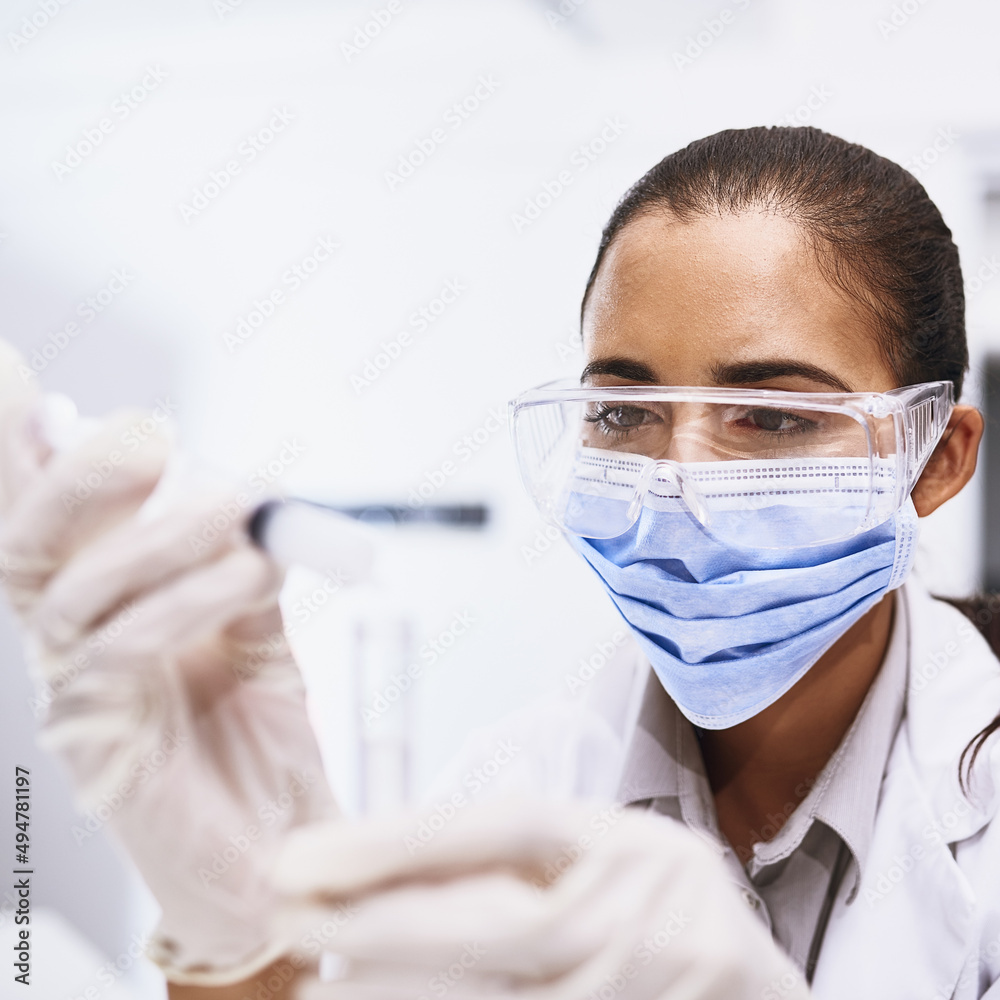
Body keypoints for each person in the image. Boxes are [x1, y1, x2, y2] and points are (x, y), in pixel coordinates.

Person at [1, 125, 998, 999]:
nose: (679, 484)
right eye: (622, 411)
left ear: (936, 458)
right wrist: (241, 937)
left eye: (773, 415)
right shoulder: (513, 785)